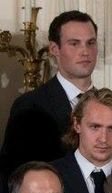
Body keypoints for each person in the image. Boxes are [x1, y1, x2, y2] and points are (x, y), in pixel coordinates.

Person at [0, 10, 98, 173]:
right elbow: (17, 176)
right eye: (74, 43)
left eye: (91, 43)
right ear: (54, 49)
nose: (85, 51)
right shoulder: (31, 106)